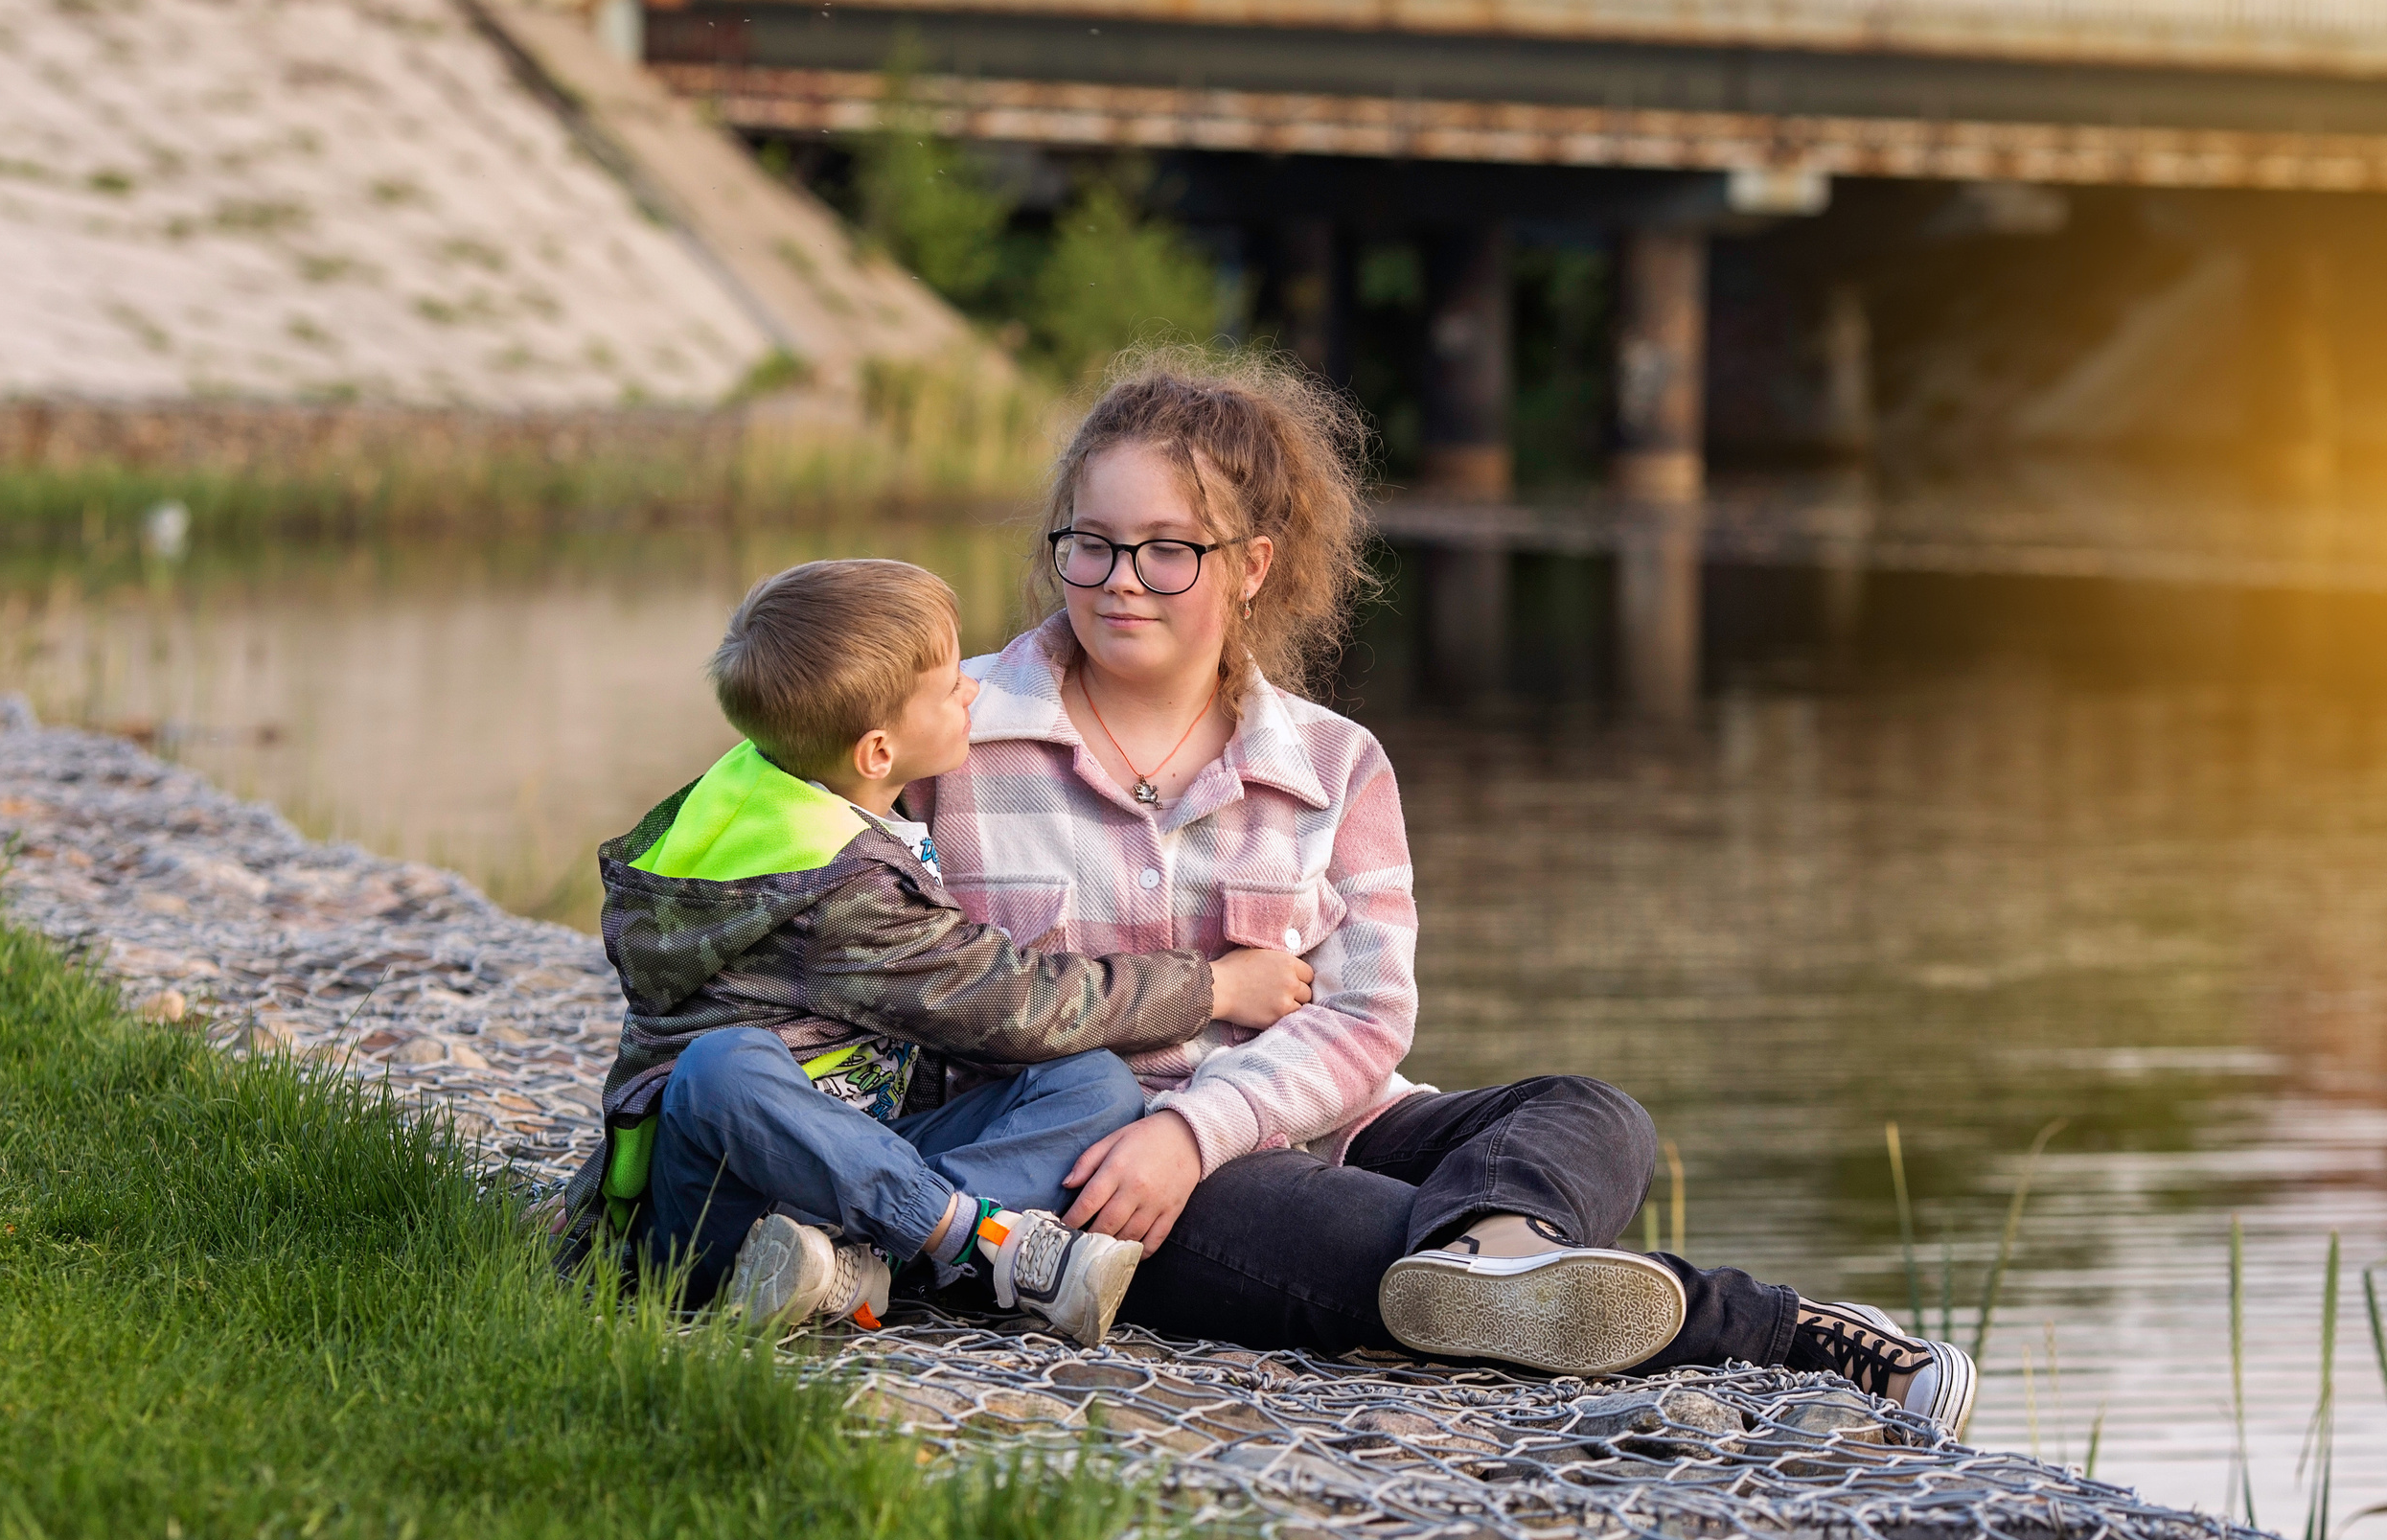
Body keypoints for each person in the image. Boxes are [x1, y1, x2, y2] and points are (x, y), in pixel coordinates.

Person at [907, 351, 1978, 1435]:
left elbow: (1368, 1015)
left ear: (1252, 567)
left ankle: (1491, 1254)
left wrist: (1201, 1125)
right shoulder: (951, 732)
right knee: (1367, 1237)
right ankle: (1784, 1336)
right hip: (1098, 1167)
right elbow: (882, 952)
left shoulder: (1335, 763)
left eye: (1168, 549)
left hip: (1316, 1126)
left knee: (1593, 1115)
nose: (1119, 579)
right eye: (1091, 543)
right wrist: (1164, 1140)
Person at [558, 558, 1317, 1348]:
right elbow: (1013, 1002)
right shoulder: (837, 887)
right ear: (877, 752)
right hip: (718, 1208)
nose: (973, 692)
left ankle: (849, 1262)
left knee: (1093, 1085)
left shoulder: (787, 784)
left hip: (861, 1167)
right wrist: (1211, 988)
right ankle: (969, 1238)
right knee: (720, 1067)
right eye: (951, 686)